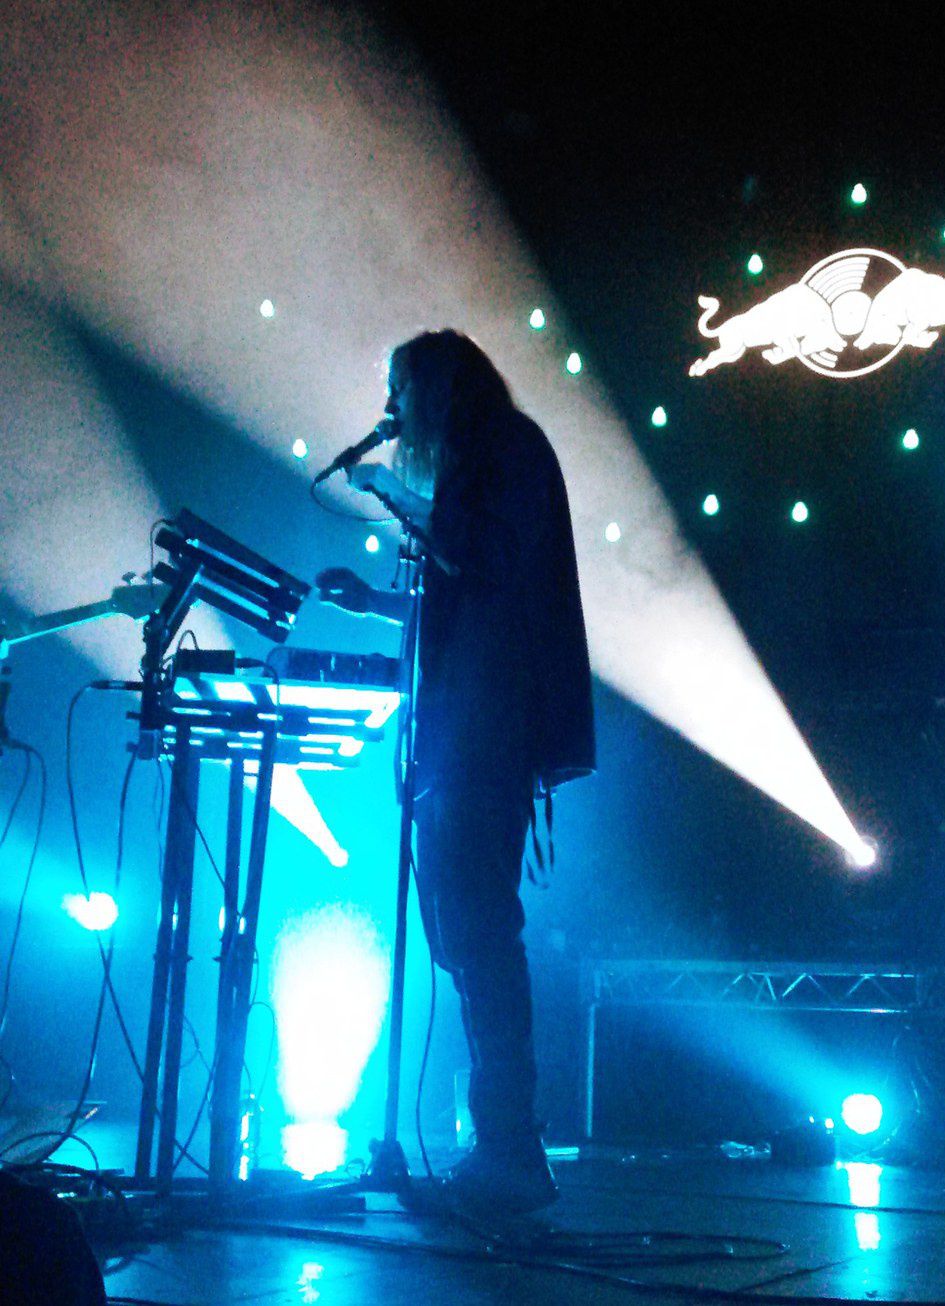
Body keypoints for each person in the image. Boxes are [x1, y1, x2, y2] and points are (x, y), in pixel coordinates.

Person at [321, 329, 594, 1213]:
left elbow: (495, 561)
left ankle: (513, 1149)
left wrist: (395, 492)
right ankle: (501, 1145)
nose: (390, 408)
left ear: (438, 388)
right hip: (459, 733)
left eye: (400, 388)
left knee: (480, 929)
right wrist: (374, 602)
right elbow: (463, 591)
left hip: (490, 733)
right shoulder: (476, 463)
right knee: (462, 933)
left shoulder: (510, 449)